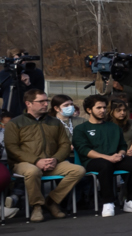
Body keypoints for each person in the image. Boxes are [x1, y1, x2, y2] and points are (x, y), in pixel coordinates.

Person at [8, 89, 86, 221]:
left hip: (51, 161)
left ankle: (51, 201)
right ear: (28, 103)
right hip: (24, 163)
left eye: (46, 101)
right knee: (32, 171)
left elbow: (65, 144)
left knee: (78, 170)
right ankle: (37, 207)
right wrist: (36, 160)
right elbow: (12, 147)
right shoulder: (15, 123)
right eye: (41, 101)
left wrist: (55, 159)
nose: (45, 104)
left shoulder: (54, 122)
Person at [72, 93, 132, 216]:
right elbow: (84, 150)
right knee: (105, 165)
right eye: (98, 108)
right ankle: (108, 203)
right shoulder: (81, 128)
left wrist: (121, 154)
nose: (102, 110)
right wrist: (108, 157)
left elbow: (122, 146)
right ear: (88, 110)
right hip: (93, 161)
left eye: (104, 107)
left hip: (115, 158)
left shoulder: (113, 127)